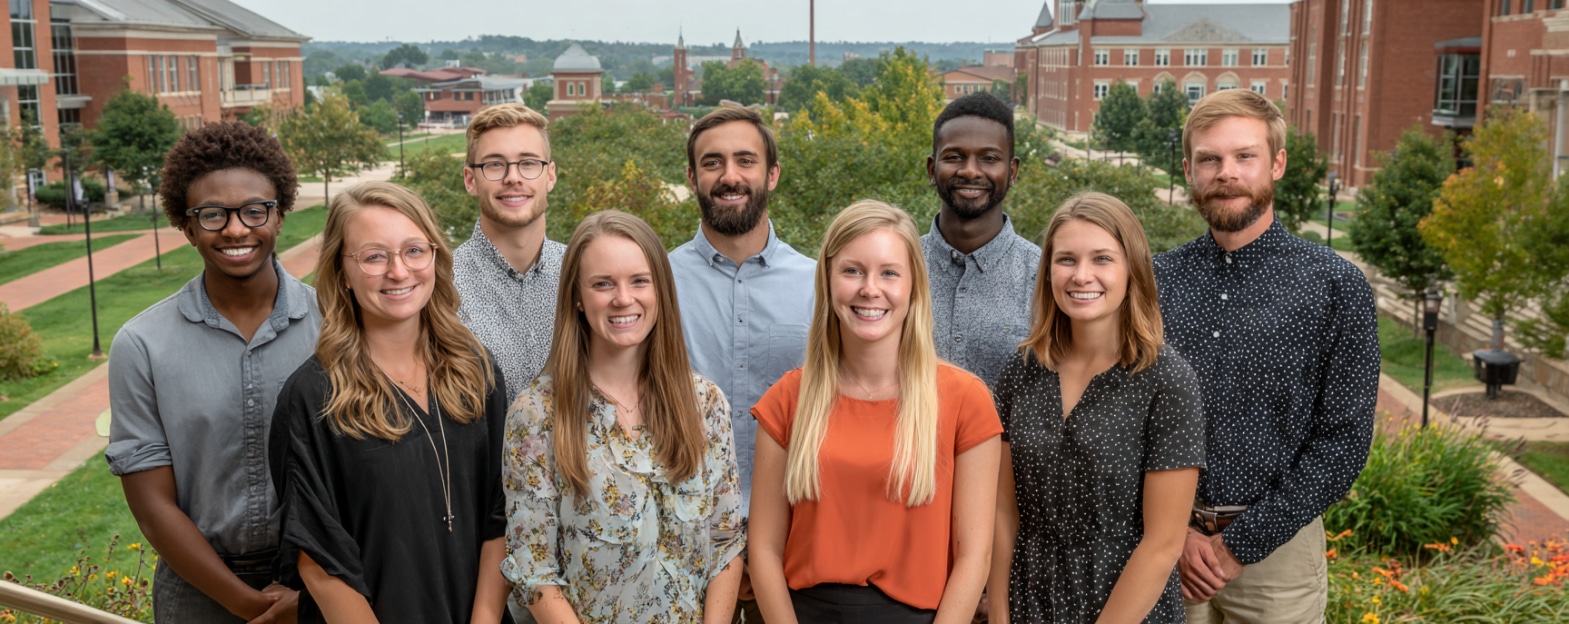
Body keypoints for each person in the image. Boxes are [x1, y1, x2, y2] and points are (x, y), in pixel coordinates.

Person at [1154, 89, 1379, 623]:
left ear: (1277, 162)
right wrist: (1177, 534)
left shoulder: (1335, 285)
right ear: (1189, 170)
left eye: (1244, 156)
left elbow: (1344, 440)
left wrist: (1239, 546)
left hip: (1280, 556)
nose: (1226, 172)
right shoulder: (1155, 281)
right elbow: (1127, 418)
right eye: (1209, 159)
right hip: (1164, 546)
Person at [269, 182, 512, 623]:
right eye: (374, 256)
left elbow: (503, 510)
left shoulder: (477, 371)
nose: (399, 272)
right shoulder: (313, 398)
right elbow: (319, 559)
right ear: (342, 271)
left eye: (414, 250)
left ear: (435, 257)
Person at [750, 200, 1002, 624]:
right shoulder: (788, 399)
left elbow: (975, 557)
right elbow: (763, 548)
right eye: (852, 271)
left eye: (889, 272)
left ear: (914, 287)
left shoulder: (965, 400)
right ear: (828, 282)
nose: (870, 289)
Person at [106, 121, 316, 623]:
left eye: (254, 210)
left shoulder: (336, 325)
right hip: (196, 594)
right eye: (213, 214)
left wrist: (308, 598)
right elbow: (153, 507)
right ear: (186, 226)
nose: (237, 229)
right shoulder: (141, 345)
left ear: (280, 215)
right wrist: (248, 605)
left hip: (317, 582)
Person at [502, 210, 746, 623]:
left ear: (660, 291)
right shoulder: (538, 413)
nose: (623, 298)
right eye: (602, 284)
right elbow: (533, 568)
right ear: (577, 297)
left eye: (639, 280)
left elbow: (726, 541)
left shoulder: (704, 403)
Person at [988, 192, 1205, 623]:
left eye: (1102, 259)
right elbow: (1002, 512)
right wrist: (998, 614)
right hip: (1029, 601)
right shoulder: (1022, 370)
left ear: (1133, 270)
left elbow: (1163, 544)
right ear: (1047, 269)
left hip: (1125, 607)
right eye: (1066, 259)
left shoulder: (1167, 381)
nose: (1081, 275)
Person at [669, 105, 816, 622]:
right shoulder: (653, 287)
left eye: (745, 160)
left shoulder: (819, 288)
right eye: (712, 163)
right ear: (692, 178)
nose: (729, 176)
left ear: (771, 173)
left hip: (797, 547)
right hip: (680, 548)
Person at [921, 92, 1040, 387]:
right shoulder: (897, 267)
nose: (970, 170)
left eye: (989, 158)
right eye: (954, 156)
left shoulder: (1046, 277)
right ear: (932, 169)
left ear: (1012, 171)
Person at [454, 103, 565, 402]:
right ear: (470, 180)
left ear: (550, 176)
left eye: (528, 163)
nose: (513, 177)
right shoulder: (439, 285)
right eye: (494, 164)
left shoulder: (583, 272)